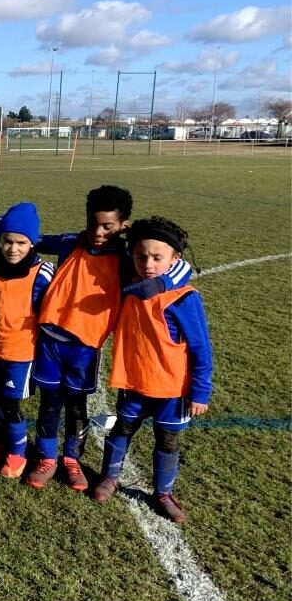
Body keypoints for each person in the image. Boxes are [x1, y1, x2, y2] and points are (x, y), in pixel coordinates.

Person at [27, 185, 192, 491]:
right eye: (93, 223)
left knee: (77, 406)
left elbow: (183, 268)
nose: (98, 232)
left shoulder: (127, 258)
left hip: (85, 347)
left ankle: (72, 459)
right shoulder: (70, 243)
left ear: (123, 226)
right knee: (49, 405)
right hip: (49, 341)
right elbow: (30, 239)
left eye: (108, 227)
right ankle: (46, 458)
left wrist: (164, 283)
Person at [92, 217, 212, 524]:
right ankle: (109, 477)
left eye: (158, 258)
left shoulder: (183, 297)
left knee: (167, 439)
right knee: (122, 430)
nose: (148, 263)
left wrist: (200, 391)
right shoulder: (130, 286)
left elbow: (200, 347)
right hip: (133, 382)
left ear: (175, 259)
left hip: (173, 389)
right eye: (141, 256)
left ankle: (163, 492)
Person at [0, 203, 54, 478]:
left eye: (21, 243)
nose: (13, 248)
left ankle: (17, 453)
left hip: (21, 352)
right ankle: (1, 442)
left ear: (33, 242)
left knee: (11, 404)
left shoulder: (42, 274)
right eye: (7, 241)